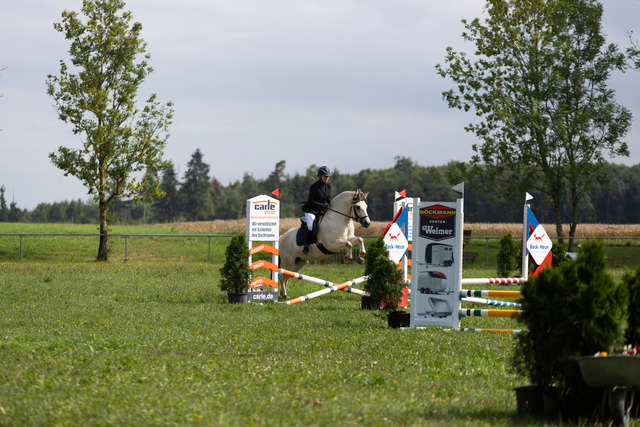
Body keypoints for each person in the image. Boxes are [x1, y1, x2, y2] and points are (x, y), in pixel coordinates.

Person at [301, 166, 332, 254]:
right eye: (325, 176)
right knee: (310, 226)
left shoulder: (328, 185)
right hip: (311, 210)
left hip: (321, 210)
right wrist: (323, 205)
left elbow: (328, 198)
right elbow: (311, 201)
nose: (327, 178)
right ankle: (306, 246)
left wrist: (331, 204)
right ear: (320, 176)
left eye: (328, 176)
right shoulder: (314, 186)